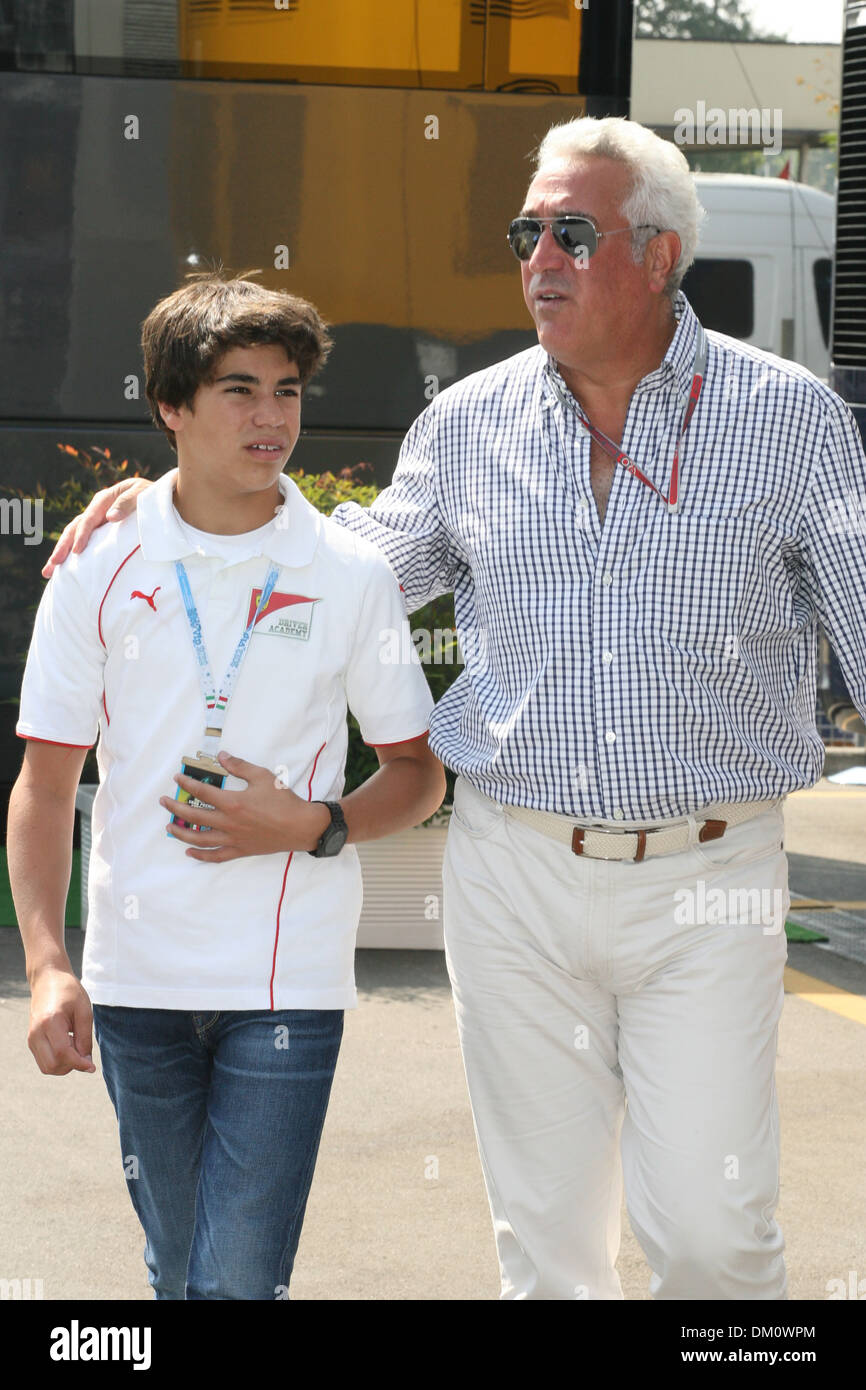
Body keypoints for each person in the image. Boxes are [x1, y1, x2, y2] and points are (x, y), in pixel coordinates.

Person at [44, 117, 866, 1301]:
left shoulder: (789, 421)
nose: (537, 257)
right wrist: (174, 495)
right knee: (543, 1246)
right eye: (525, 231)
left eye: (570, 232)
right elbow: (344, 569)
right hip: (508, 872)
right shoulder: (469, 420)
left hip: (706, 872)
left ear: (657, 253)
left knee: (709, 1232)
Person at [9, 271, 445, 1301]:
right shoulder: (99, 562)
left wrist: (312, 824)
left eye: (287, 390)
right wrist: (45, 967)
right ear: (170, 406)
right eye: (238, 390)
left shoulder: (350, 571)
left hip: (282, 987)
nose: (271, 417)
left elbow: (417, 775)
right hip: (135, 980)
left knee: (236, 1282)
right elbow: (43, 782)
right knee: (178, 1271)